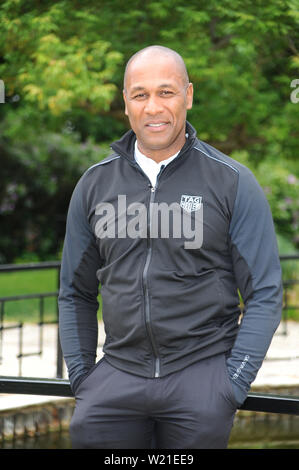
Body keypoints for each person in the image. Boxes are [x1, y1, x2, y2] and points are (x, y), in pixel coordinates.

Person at [58, 45, 282, 449]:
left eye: (166, 92)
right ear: (126, 103)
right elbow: (74, 291)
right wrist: (81, 377)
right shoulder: (93, 185)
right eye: (140, 94)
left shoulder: (232, 182)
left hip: (201, 377)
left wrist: (232, 384)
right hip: (118, 377)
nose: (153, 107)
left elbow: (265, 293)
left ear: (188, 96)